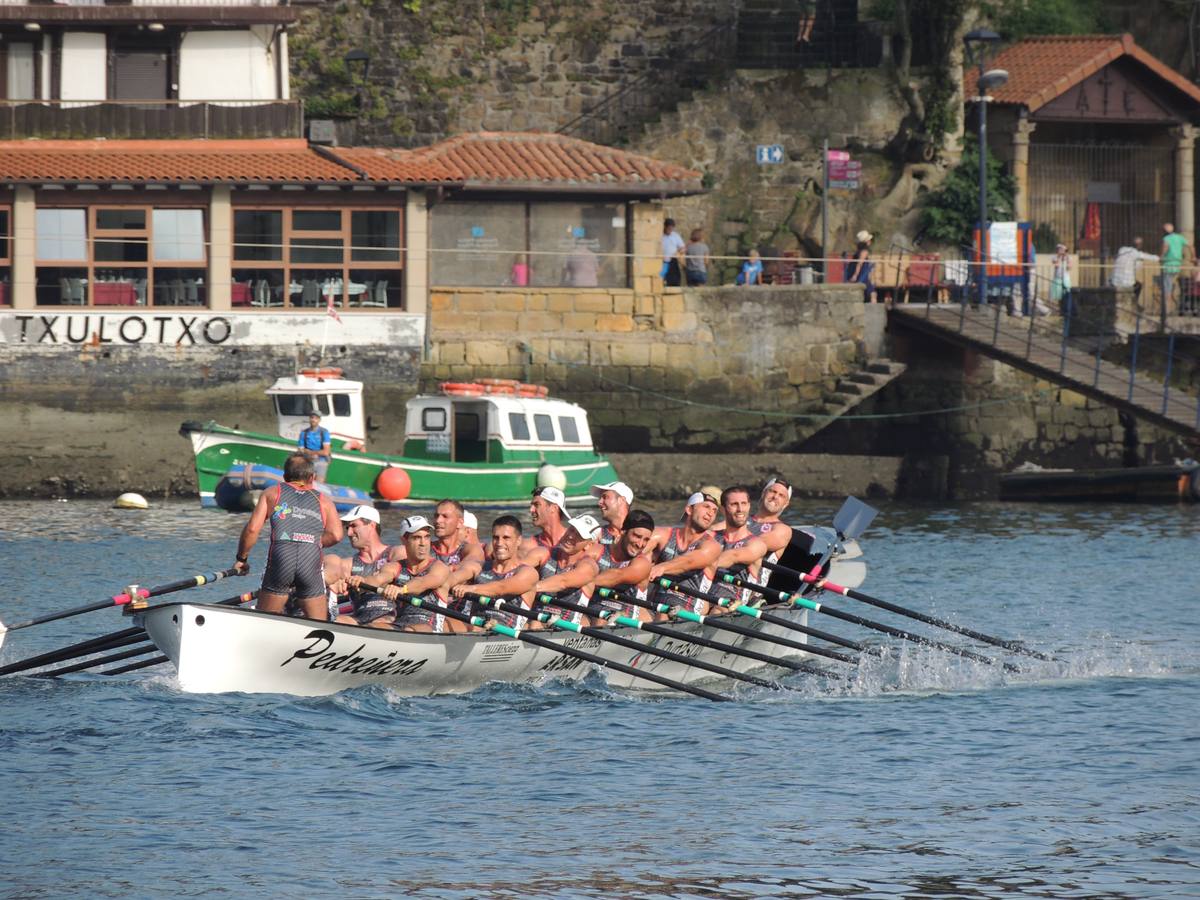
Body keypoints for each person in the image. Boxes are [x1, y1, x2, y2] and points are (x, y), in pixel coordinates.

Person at [233, 453, 343, 620]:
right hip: (310, 560)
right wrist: (312, 541)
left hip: (281, 559)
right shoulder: (324, 501)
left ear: (284, 477)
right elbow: (336, 535)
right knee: (319, 625)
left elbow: (252, 530)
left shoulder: (271, 493)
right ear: (312, 477)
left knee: (266, 621)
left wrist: (242, 559)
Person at [358, 516, 450, 633]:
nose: (423, 543)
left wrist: (402, 590)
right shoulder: (395, 567)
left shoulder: (439, 567)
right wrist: (360, 582)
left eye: (426, 537)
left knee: (410, 630)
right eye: (417, 538)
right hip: (400, 625)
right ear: (404, 540)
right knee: (372, 627)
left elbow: (422, 583)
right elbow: (377, 579)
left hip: (429, 628)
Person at [451, 515, 539, 632]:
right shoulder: (478, 567)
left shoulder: (527, 572)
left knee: (536, 624)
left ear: (518, 541)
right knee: (448, 621)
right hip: (475, 626)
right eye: (496, 538)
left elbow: (501, 588)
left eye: (506, 538)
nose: (499, 543)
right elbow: (453, 577)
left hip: (505, 633)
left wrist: (470, 589)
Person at [643, 488, 722, 617]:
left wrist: (662, 567)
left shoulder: (712, 546)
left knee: (663, 614)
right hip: (655, 605)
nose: (711, 513)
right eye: (706, 507)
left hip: (689, 609)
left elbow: (689, 561)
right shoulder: (663, 535)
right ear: (689, 509)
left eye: (714, 511)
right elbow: (633, 551)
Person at [324, 504, 396, 621]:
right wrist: (334, 580)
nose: (349, 533)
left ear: (371, 525)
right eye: (348, 528)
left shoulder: (395, 553)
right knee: (339, 620)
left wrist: (368, 581)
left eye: (353, 526)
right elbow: (327, 564)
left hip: (391, 619)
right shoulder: (348, 564)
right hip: (358, 620)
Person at [529, 513, 602, 625]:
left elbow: (563, 582)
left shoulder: (589, 566)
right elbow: (515, 570)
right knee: (534, 623)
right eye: (571, 530)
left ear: (588, 545)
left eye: (579, 536)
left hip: (569, 627)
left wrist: (526, 587)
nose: (571, 536)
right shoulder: (543, 552)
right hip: (538, 619)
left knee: (535, 624)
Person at [707, 485, 770, 611]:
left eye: (744, 504)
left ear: (749, 506)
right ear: (723, 510)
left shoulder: (756, 544)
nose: (740, 509)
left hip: (730, 603)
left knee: (718, 610)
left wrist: (696, 561)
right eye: (734, 504)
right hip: (702, 596)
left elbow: (733, 556)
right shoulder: (710, 536)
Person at [588, 508, 655, 622]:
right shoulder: (597, 551)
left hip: (629, 618)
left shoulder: (642, 563)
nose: (640, 544)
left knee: (601, 620)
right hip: (594, 612)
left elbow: (616, 576)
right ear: (623, 531)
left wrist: (574, 581)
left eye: (646, 540)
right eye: (637, 536)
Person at [430, 499, 484, 593]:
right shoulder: (425, 548)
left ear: (459, 523)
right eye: (436, 516)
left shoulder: (470, 549)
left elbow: (470, 564)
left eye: (445, 516)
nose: (438, 520)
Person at [520, 485, 570, 560]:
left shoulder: (577, 541)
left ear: (553, 508)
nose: (531, 510)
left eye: (536, 505)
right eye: (532, 505)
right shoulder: (527, 547)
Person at [1160, 223, 1191, 321]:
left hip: (1168, 265)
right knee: (1170, 286)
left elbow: (1165, 248)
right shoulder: (1180, 237)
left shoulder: (1166, 239)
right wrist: (1193, 256)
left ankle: (1167, 311)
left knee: (1167, 288)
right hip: (1177, 265)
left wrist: (1161, 257)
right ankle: (1169, 309)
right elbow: (1190, 246)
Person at [1111, 237, 1158, 301]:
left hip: (1114, 280)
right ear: (1140, 245)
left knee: (1136, 284)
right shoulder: (1136, 253)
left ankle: (1132, 302)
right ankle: (1134, 302)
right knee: (1138, 285)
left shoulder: (1122, 249)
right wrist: (1160, 258)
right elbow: (1152, 258)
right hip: (1126, 282)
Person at [590, 480, 633, 545]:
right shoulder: (597, 535)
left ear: (621, 500)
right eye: (600, 498)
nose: (599, 502)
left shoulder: (642, 533)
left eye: (605, 497)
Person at [297, 411, 332, 482]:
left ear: (319, 420)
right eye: (312, 417)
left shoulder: (324, 432)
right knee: (303, 481)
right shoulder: (304, 433)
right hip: (307, 461)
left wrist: (310, 452)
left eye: (316, 418)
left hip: (321, 461)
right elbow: (300, 450)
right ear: (309, 419)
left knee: (320, 481)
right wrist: (309, 453)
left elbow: (326, 452)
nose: (313, 420)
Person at [847, 230, 874, 302]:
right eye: (868, 240)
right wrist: (855, 275)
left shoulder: (859, 251)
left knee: (869, 291)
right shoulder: (864, 251)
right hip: (861, 275)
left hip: (862, 274)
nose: (870, 241)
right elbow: (860, 263)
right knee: (870, 292)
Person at [661, 218, 685, 287]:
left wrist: (678, 252)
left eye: (671, 229)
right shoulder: (660, 235)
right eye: (669, 228)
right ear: (665, 227)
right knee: (662, 277)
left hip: (673, 260)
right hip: (663, 261)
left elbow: (682, 247)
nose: (670, 231)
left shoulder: (675, 235)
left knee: (675, 279)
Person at [1050, 243, 1072, 309]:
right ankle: (1061, 309)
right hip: (1058, 278)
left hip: (1065, 278)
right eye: (1060, 249)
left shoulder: (1068, 258)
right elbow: (1056, 265)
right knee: (1059, 295)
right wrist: (1059, 256)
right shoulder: (1054, 257)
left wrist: (1067, 257)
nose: (1062, 251)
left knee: (1066, 294)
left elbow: (1069, 268)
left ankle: (1065, 308)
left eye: (1063, 250)